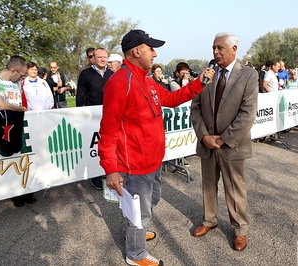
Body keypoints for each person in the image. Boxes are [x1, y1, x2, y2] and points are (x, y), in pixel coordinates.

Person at [98, 29, 215, 266]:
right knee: (140, 211)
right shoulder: (120, 82)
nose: (155, 54)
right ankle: (135, 254)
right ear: (136, 51)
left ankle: (136, 232)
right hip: (134, 164)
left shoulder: (148, 80)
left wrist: (199, 83)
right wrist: (111, 168)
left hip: (153, 160)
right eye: (151, 48)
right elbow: (108, 130)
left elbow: (171, 99)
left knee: (150, 203)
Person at [191, 32, 258, 252]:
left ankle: (240, 230)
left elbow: (247, 113)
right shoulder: (207, 75)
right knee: (208, 185)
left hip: (232, 144)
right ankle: (209, 220)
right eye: (213, 48)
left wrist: (224, 138)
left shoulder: (248, 75)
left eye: (220, 48)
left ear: (234, 50)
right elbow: (196, 109)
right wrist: (204, 136)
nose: (216, 52)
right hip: (208, 142)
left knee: (235, 188)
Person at [0, 56, 30, 207]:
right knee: (6, 161)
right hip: (1, 127)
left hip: (17, 124)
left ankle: (25, 189)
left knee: (21, 159)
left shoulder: (15, 84)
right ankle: (12, 193)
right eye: (22, 75)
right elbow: (1, 104)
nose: (22, 78)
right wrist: (20, 109)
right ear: (13, 70)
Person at [77, 47, 113, 190]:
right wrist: (80, 114)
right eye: (100, 57)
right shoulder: (86, 74)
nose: (103, 59)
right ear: (94, 58)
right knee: (94, 147)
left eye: (105, 57)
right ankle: (95, 176)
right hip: (91, 118)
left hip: (110, 117)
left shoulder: (111, 74)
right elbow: (80, 95)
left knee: (109, 146)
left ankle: (109, 173)